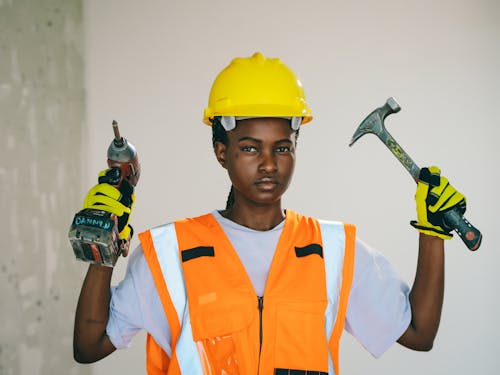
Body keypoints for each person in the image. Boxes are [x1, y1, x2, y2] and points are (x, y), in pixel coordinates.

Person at [73, 52, 466, 374]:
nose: (268, 164)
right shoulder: (167, 252)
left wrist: (433, 233)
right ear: (221, 152)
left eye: (282, 148)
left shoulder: (335, 251)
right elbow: (89, 346)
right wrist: (104, 245)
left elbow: (418, 333)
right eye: (249, 148)